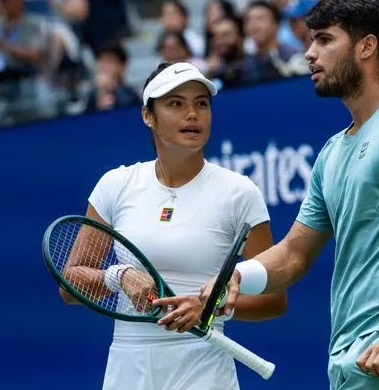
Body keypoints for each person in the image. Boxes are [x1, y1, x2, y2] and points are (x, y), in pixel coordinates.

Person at [201, 0, 379, 390]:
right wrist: (238, 275)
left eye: (324, 40)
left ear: (367, 47)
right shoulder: (332, 152)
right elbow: (294, 254)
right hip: (350, 356)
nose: (309, 53)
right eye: (311, 40)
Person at [59, 61, 287, 390]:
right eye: (176, 104)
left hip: (204, 371)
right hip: (128, 369)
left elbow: (274, 299)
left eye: (201, 104)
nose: (192, 114)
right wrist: (120, 276)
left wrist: (209, 308)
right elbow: (69, 286)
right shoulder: (115, 185)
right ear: (148, 116)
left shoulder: (240, 193)